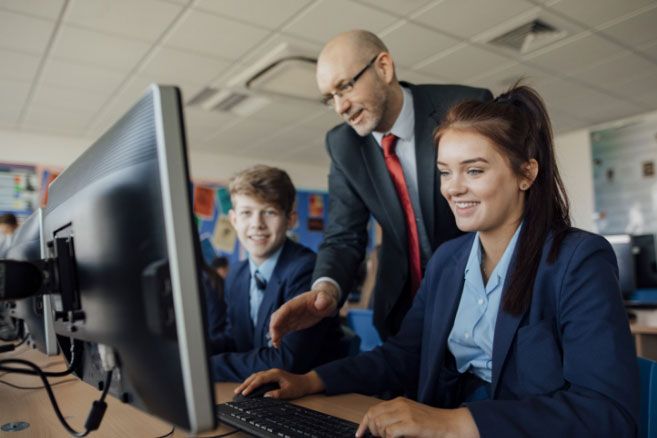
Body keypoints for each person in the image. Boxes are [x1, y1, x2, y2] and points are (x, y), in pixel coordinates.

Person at [236, 85, 639, 437]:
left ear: (526, 174)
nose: (454, 188)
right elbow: (403, 355)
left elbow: (606, 413)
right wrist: (311, 380)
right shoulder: (449, 259)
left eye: (474, 170)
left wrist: (455, 423)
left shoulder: (577, 259)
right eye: (445, 172)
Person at [269, 30, 492, 344]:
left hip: (478, 301)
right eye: (329, 97)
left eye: (344, 87)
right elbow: (344, 234)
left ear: (384, 68)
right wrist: (325, 290)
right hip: (403, 310)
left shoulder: (463, 108)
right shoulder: (343, 144)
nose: (340, 107)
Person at [207, 165, 345, 382]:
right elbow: (234, 340)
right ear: (233, 220)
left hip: (312, 401)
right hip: (259, 395)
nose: (257, 224)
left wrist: (206, 367)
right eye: (246, 213)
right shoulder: (236, 275)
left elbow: (286, 360)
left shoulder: (306, 269)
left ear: (290, 219)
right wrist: (191, 353)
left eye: (269, 212)